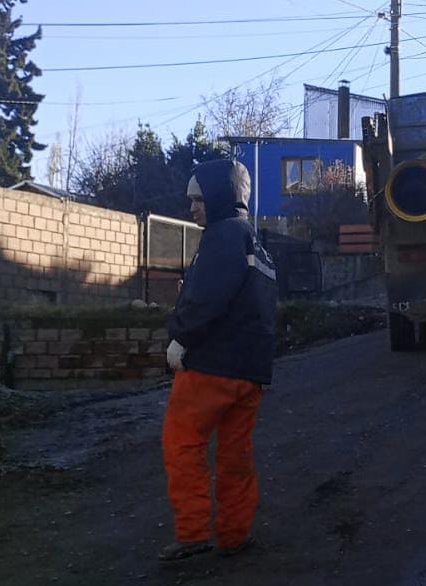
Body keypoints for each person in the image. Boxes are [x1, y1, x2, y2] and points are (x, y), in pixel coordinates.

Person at [159, 159, 278, 562]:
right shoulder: (254, 241)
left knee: (183, 444)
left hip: (210, 367)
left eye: (198, 199)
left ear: (218, 196)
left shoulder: (221, 236)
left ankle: (192, 534)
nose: (192, 208)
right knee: (235, 456)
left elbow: (206, 297)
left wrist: (181, 339)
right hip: (249, 373)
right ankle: (233, 534)